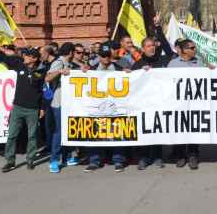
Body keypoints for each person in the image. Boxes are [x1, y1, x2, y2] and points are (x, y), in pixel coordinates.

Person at [133, 14, 174, 170]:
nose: (152, 48)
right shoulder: (138, 64)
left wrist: (158, 28)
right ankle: (144, 157)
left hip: (160, 102)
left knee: (157, 129)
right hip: (143, 104)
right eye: (149, 46)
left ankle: (157, 157)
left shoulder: (162, 60)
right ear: (143, 48)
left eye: (153, 45)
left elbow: (168, 49)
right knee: (144, 130)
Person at [84, 42, 128, 173]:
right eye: (103, 56)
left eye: (107, 56)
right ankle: (94, 161)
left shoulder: (120, 69)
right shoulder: (90, 70)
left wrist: (129, 74)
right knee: (95, 133)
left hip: (115, 107)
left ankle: (118, 161)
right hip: (97, 108)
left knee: (117, 133)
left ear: (112, 55)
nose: (105, 59)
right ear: (98, 56)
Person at [167, 39, 205, 170]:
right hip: (179, 103)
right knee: (180, 128)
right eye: (192, 48)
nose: (195, 50)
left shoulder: (199, 63)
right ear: (184, 50)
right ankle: (180, 155)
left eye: (195, 47)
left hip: (195, 102)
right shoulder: (173, 64)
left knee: (194, 128)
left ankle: (193, 155)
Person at [45, 42, 79, 173]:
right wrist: (60, 71)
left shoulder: (68, 63)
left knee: (68, 131)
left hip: (68, 103)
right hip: (59, 103)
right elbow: (47, 78)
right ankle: (54, 160)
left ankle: (68, 157)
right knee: (59, 132)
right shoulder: (59, 62)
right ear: (70, 52)